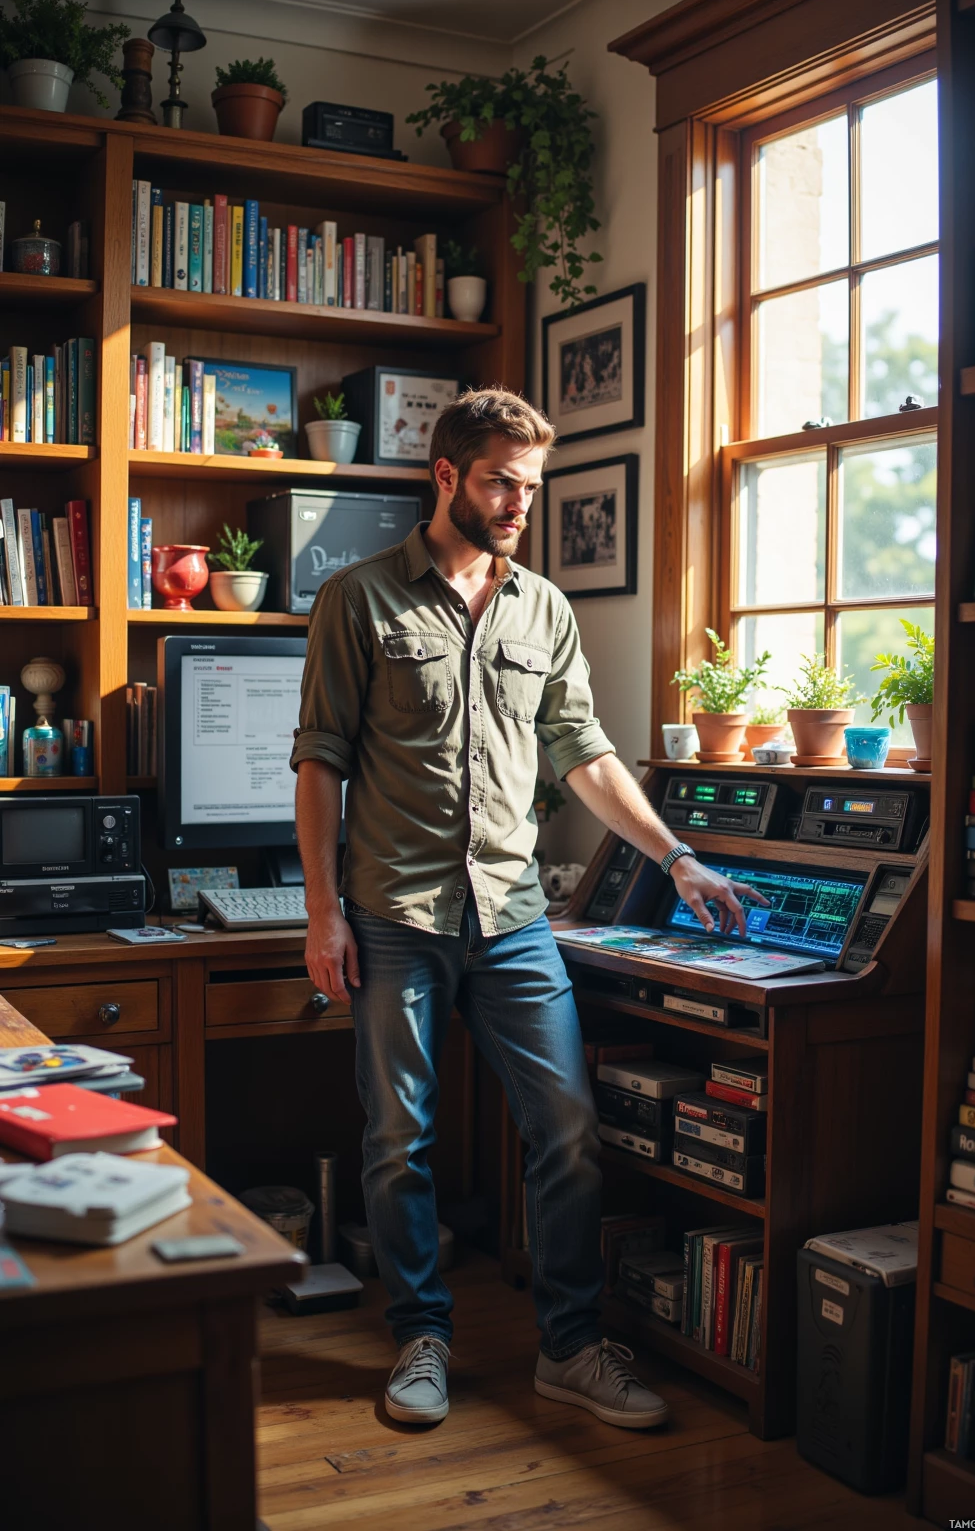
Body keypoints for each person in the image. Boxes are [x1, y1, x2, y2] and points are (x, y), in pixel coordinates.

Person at [291, 387, 767, 1430]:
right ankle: (420, 1336)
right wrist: (322, 914)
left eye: (531, 485)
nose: (519, 502)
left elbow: (582, 752)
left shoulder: (542, 607)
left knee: (566, 1131)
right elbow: (320, 763)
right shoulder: (360, 600)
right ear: (447, 475)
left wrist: (675, 856)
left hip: (511, 916)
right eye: (503, 480)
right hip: (392, 915)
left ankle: (570, 1347)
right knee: (396, 1140)